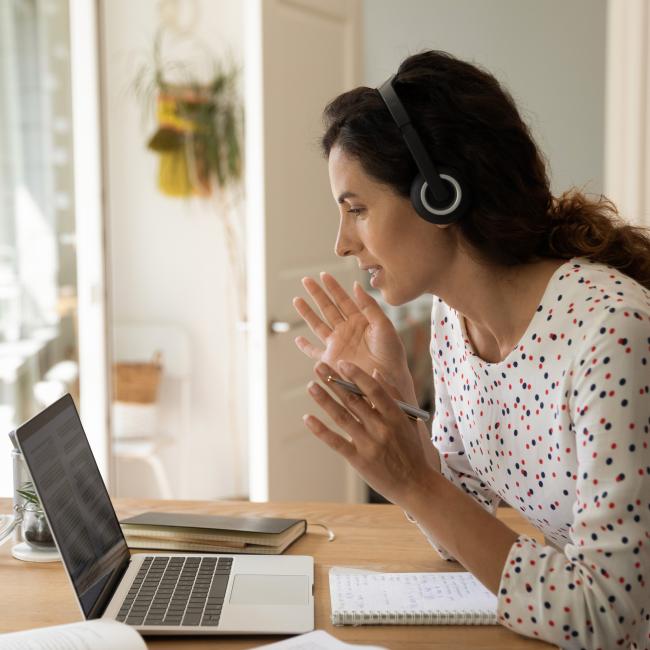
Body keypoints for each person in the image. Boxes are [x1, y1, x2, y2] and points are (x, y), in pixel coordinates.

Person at [292, 50, 650, 650]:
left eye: (357, 209)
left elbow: (604, 616)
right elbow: (453, 530)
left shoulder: (611, 334)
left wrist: (409, 478)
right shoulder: (453, 320)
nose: (341, 242)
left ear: (439, 195)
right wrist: (403, 406)